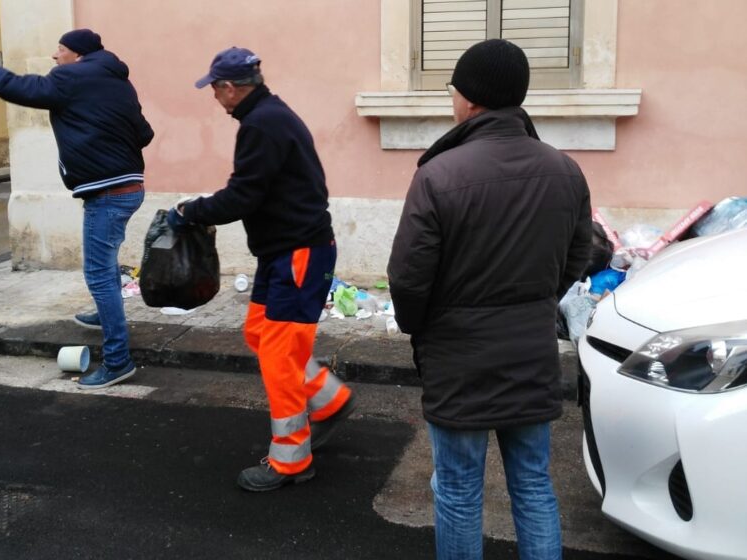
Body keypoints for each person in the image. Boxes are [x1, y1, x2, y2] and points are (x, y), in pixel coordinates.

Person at [386, 39, 592, 559]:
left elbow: (409, 279)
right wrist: (538, 302)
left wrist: (421, 329)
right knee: (533, 485)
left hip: (458, 358)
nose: (451, 98)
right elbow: (577, 255)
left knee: (458, 491)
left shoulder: (438, 174)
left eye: (452, 88)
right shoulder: (565, 170)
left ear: (471, 99)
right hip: (530, 350)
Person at [168, 46, 355, 492]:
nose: (213, 97)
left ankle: (292, 459)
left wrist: (189, 211)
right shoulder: (267, 116)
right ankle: (330, 401)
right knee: (259, 332)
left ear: (231, 88)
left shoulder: (261, 125)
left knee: (278, 354)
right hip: (286, 252)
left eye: (214, 89)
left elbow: (242, 196)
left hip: (298, 255)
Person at [0, 30, 153, 390]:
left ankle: (118, 361)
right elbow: (144, 134)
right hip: (130, 188)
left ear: (79, 55)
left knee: (99, 274)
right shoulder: (118, 81)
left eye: (61, 50)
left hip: (108, 193)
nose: (55, 56)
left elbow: (19, 87)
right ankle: (104, 315)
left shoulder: (71, 78)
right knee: (107, 259)